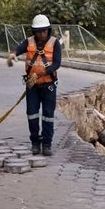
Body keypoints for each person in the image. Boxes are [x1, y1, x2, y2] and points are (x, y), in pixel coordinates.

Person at [7, 14, 62, 156]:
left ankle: (47, 144)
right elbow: (18, 49)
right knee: (32, 114)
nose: (41, 34)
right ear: (34, 32)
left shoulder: (54, 43)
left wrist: (40, 73)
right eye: (38, 31)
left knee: (48, 115)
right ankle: (35, 143)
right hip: (32, 86)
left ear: (48, 30)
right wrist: (13, 55)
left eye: (43, 31)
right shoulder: (29, 42)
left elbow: (56, 63)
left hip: (48, 85)